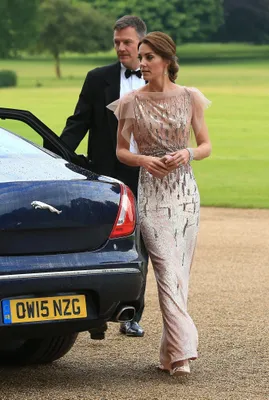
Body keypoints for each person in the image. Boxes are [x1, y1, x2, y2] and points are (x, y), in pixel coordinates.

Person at [108, 31, 212, 376]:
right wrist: (144, 161)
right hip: (151, 194)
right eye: (140, 58)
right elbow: (121, 150)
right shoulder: (130, 102)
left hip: (185, 195)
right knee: (166, 269)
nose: (142, 64)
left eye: (148, 57)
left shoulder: (191, 97)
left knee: (180, 274)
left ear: (167, 60)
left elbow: (205, 145)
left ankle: (170, 355)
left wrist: (188, 153)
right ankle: (185, 347)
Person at [60, 15, 148, 337]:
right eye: (116, 42)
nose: (120, 48)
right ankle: (96, 316)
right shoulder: (97, 78)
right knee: (99, 242)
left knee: (140, 244)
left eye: (126, 42)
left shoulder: (157, 78)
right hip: (106, 176)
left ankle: (131, 313)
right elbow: (77, 124)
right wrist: (53, 157)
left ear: (142, 43)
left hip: (146, 175)